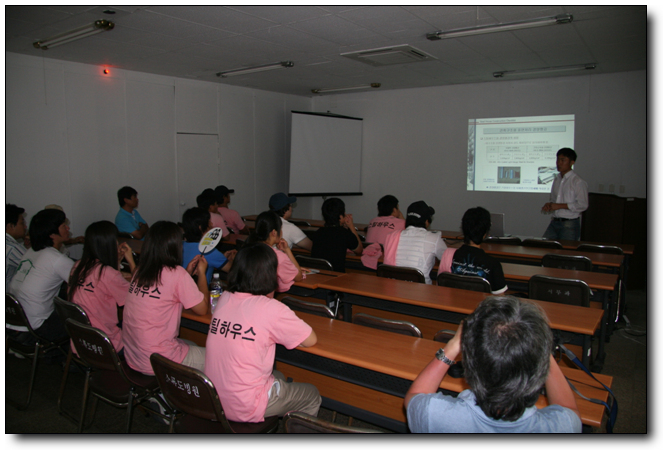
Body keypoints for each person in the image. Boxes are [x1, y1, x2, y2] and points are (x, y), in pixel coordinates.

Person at [405, 295, 582, 433]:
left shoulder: (432, 416)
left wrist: (452, 347)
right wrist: (539, 348)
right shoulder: (563, 427)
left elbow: (416, 395)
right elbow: (568, 409)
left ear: (469, 366)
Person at [204, 242, 321, 423]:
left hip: (213, 399)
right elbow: (310, 339)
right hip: (246, 405)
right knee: (312, 394)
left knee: (279, 375)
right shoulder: (270, 308)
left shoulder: (224, 297)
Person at [122, 221, 209, 375]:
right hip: (158, 361)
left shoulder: (140, 271)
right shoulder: (176, 274)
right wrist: (201, 273)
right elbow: (202, 309)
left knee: (192, 343)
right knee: (217, 359)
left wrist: (186, 273)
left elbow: (166, 288)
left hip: (134, 356)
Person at [7, 209, 74, 346]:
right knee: (84, 315)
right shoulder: (57, 259)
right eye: (64, 226)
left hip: (13, 325)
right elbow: (87, 284)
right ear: (52, 234)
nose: (68, 228)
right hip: (35, 331)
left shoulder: (32, 251)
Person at [68, 221, 136, 355]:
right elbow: (138, 295)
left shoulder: (77, 266)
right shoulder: (107, 273)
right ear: (109, 244)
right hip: (105, 345)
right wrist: (131, 261)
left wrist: (116, 263)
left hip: (80, 341)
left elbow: (108, 285)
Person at [447, 207, 508, 294]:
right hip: (481, 303)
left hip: (453, 300)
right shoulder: (493, 264)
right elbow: (500, 299)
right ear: (485, 234)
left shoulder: (449, 256)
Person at [383, 200, 446, 284]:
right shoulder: (434, 238)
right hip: (421, 290)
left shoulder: (390, 236)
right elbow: (447, 260)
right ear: (426, 221)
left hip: (393, 287)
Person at [245, 210, 304, 292]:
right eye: (280, 229)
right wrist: (287, 250)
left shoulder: (247, 248)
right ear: (274, 232)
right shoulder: (277, 255)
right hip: (267, 294)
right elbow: (298, 277)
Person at [541, 148, 588, 241]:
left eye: (563, 160)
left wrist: (559, 206)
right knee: (544, 246)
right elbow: (555, 200)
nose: (559, 163)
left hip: (569, 224)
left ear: (572, 162)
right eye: (558, 160)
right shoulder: (557, 179)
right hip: (554, 221)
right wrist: (550, 205)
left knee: (566, 250)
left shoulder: (578, 181)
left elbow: (582, 205)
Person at [181, 207, 236, 284]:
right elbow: (234, 271)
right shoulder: (209, 251)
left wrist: (221, 258)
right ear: (200, 228)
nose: (211, 224)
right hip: (201, 291)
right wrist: (235, 260)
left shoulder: (180, 245)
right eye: (209, 222)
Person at [310, 198, 363, 272]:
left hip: (317, 274)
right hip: (336, 275)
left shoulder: (318, 233)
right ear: (341, 217)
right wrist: (351, 226)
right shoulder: (344, 234)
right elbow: (359, 250)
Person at [6, 203, 28, 289]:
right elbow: (35, 267)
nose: (25, 227)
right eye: (22, 223)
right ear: (10, 226)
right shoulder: (12, 248)